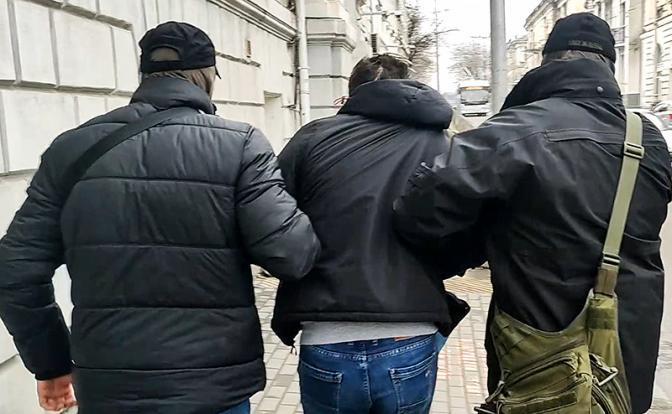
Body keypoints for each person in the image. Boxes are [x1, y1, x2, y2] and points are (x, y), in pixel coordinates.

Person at [0, 22, 320, 414]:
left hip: (110, 388)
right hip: (213, 386)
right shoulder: (240, 145)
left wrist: (50, 363)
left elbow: (14, 270)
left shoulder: (71, 148)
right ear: (208, 76)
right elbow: (291, 255)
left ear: (144, 74)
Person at [394, 13, 671, 414]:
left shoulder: (516, 130)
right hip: (624, 365)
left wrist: (478, 237)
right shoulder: (648, 139)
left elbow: (417, 209)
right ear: (609, 67)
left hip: (539, 365)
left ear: (547, 61)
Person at [272, 54, 474, 414]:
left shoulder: (313, 138)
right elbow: (465, 232)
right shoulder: (442, 145)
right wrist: (433, 268)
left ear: (351, 93)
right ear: (409, 86)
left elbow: (275, 222)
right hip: (411, 328)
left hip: (326, 332)